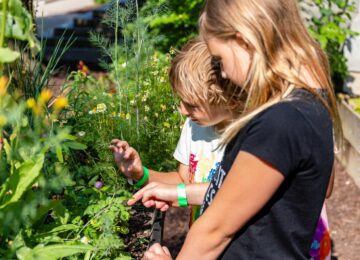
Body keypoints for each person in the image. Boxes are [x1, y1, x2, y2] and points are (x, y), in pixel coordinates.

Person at [128, 0, 341, 259]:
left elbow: (215, 232)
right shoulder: (308, 102)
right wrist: (179, 193)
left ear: (244, 42)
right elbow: (239, 192)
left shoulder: (280, 122)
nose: (224, 75)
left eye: (220, 59)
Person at [109, 38, 244, 216]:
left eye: (192, 105)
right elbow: (183, 182)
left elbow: (236, 195)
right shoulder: (195, 127)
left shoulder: (248, 135)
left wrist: (179, 195)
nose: (182, 110)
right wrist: (140, 175)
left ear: (228, 98)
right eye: (181, 100)